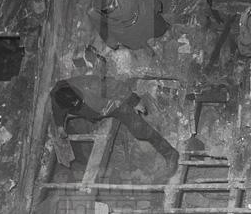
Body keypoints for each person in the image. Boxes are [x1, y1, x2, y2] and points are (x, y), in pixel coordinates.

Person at [50, 75, 179, 175]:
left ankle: (170, 153)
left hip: (114, 105)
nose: (75, 104)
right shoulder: (58, 99)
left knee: (139, 130)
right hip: (96, 111)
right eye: (73, 105)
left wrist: (134, 101)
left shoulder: (90, 84)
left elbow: (114, 85)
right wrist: (60, 126)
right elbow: (57, 112)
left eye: (77, 102)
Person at [87, 0, 169, 50]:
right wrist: (112, 43)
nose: (112, 8)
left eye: (112, 4)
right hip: (125, 32)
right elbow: (103, 30)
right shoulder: (93, 13)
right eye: (107, 9)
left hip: (142, 16)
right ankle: (144, 47)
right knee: (137, 46)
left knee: (161, 29)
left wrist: (156, 5)